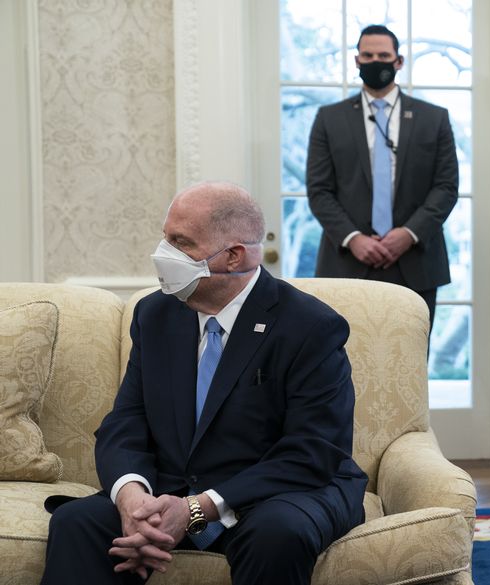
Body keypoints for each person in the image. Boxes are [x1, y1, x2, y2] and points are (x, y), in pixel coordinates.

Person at [41, 182, 367, 585]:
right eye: (165, 239)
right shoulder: (155, 314)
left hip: (278, 491)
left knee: (277, 534)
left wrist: (198, 508)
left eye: (181, 243)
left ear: (233, 256)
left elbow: (313, 450)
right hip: (171, 488)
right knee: (77, 522)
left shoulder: (310, 326)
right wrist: (132, 498)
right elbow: (126, 422)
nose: (164, 254)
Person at [307, 24, 459, 329]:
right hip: (346, 264)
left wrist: (409, 234)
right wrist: (354, 239)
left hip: (415, 263)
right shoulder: (329, 119)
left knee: (411, 356)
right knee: (344, 355)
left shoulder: (434, 119)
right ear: (357, 61)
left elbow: (446, 187)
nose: (375, 62)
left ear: (399, 61)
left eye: (384, 56)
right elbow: (319, 190)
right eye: (368, 56)